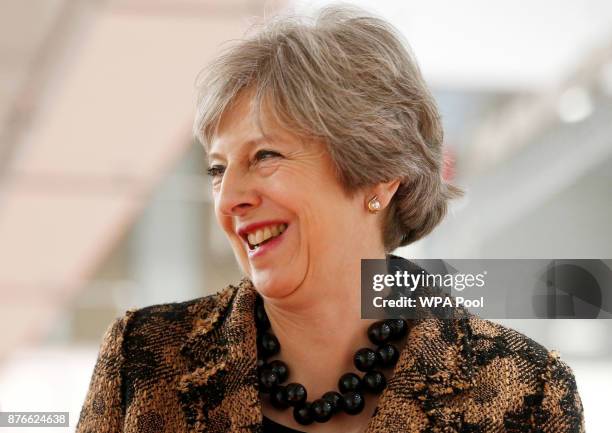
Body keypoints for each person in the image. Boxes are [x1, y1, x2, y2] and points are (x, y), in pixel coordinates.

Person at [76, 5, 584, 433]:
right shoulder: (144, 361)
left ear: (379, 177)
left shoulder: (525, 391)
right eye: (216, 169)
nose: (229, 197)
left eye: (265, 156)